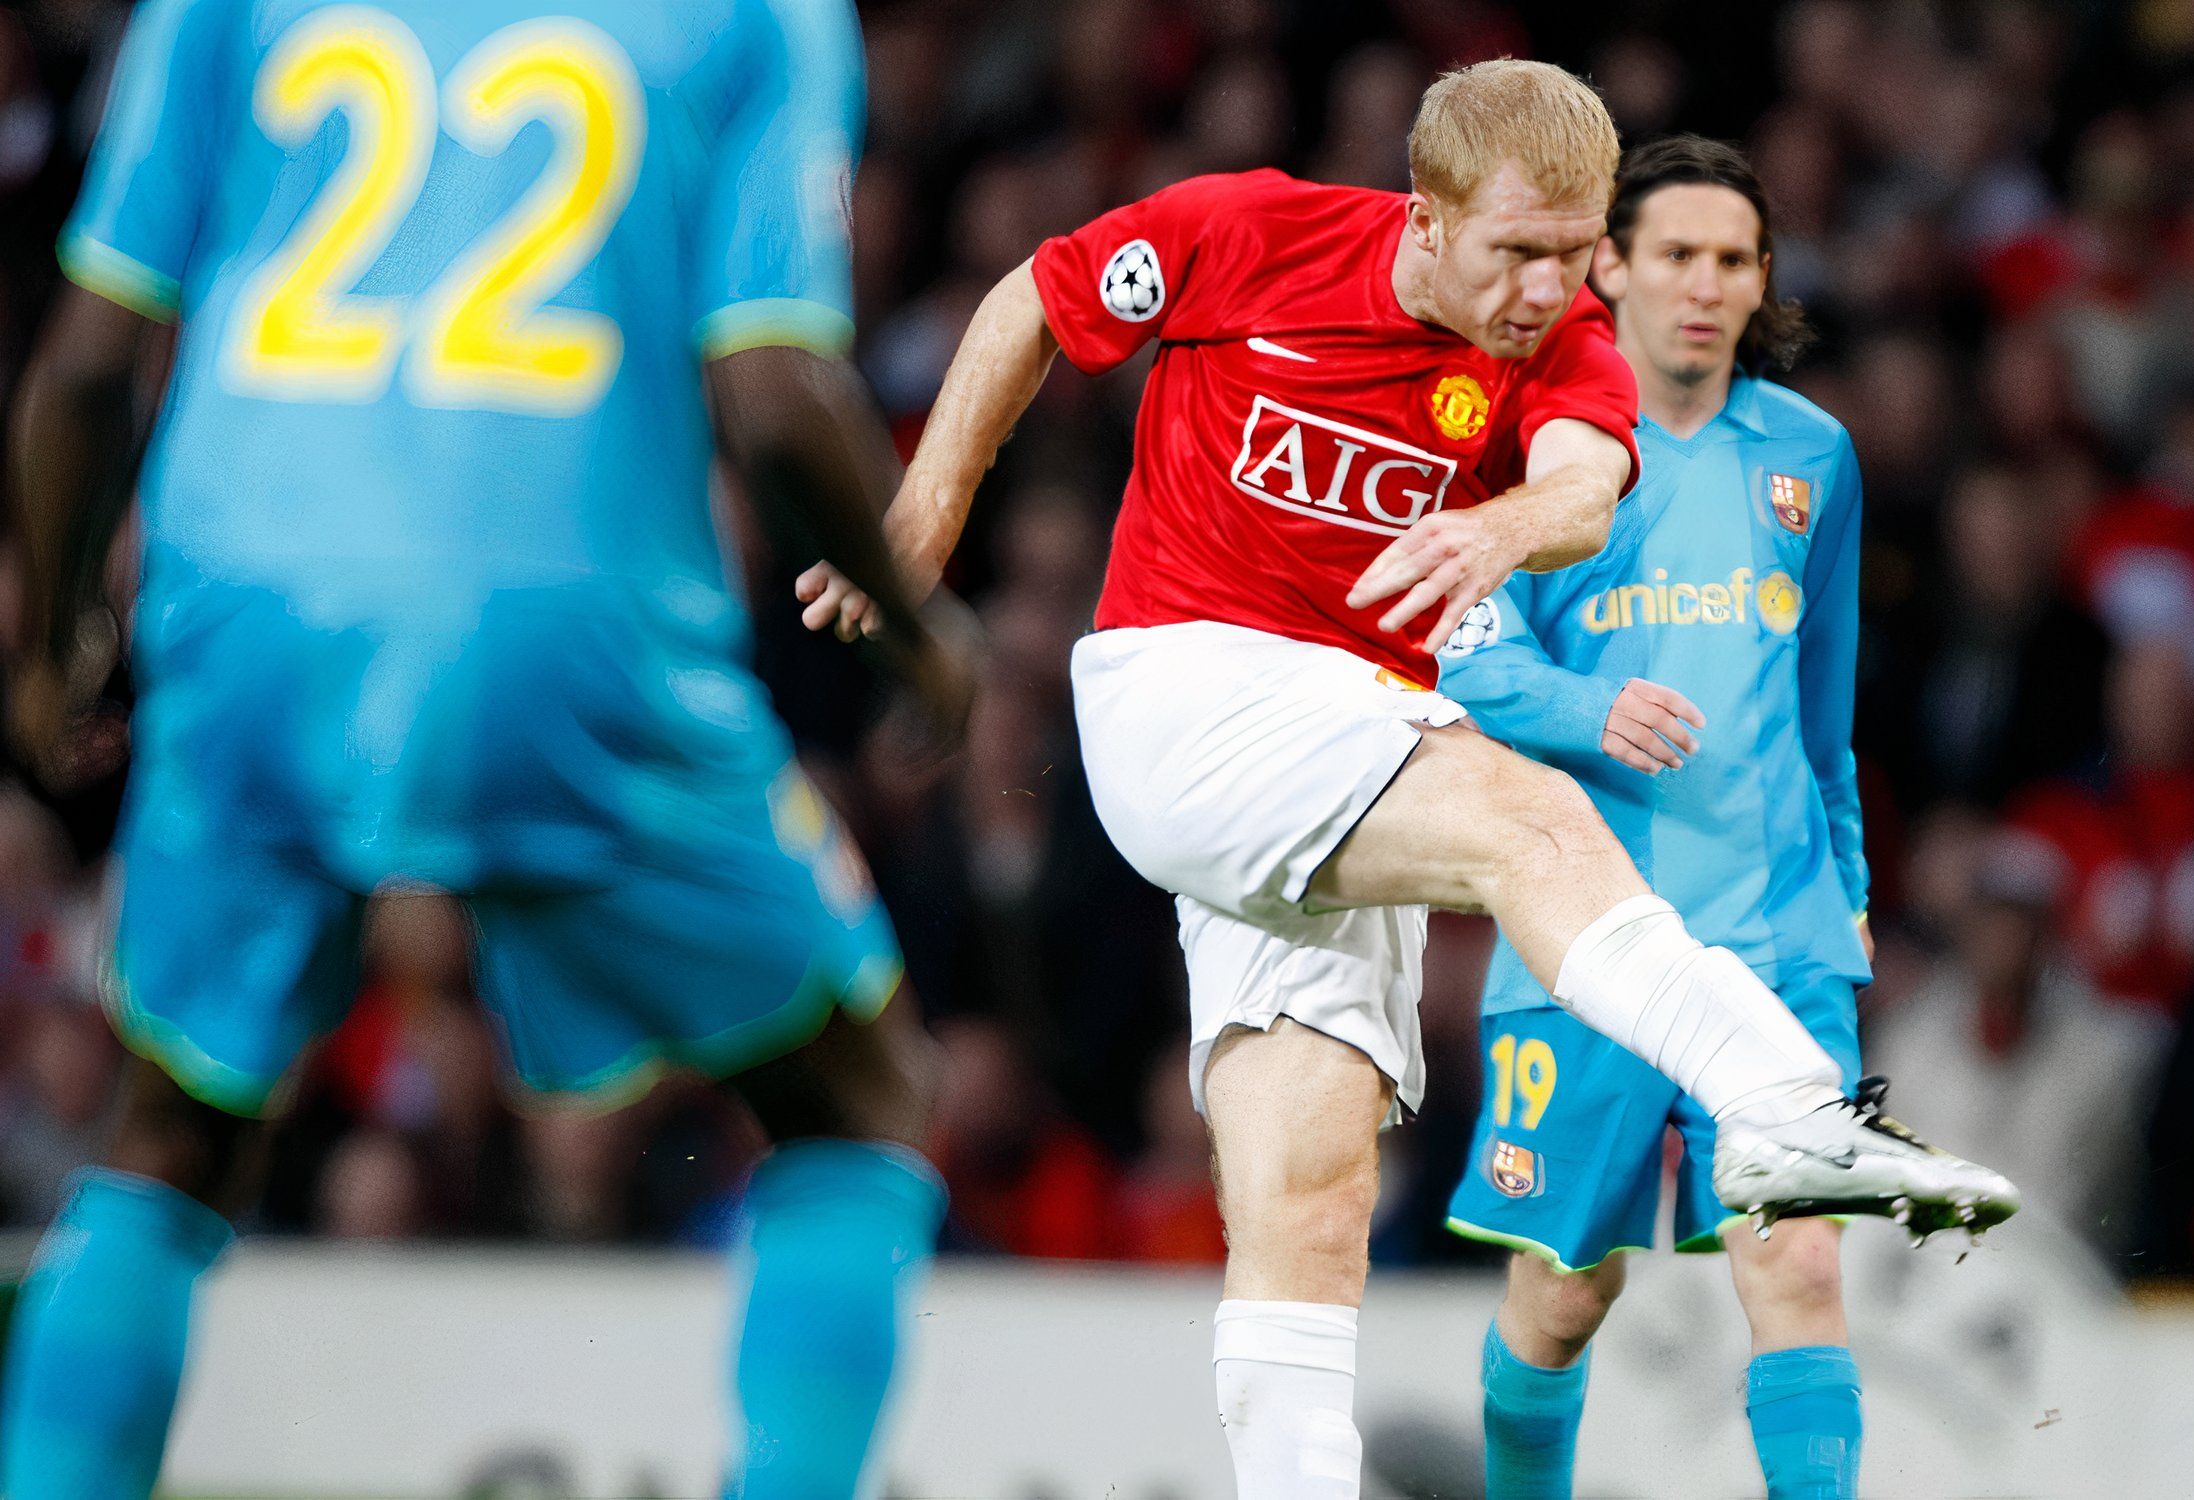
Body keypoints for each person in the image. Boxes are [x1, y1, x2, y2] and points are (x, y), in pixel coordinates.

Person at [800, 60, 2016, 1499]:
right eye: (1516, 253)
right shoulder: (1251, 233)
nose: (1547, 288)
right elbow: (1032, 302)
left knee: (1311, 1213)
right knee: (1537, 822)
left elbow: (1581, 484)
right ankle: (1789, 1104)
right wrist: (925, 514)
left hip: (1351, 744)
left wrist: (1502, 529)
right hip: (1187, 686)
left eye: (1574, 258)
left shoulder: (1562, 340)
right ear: (1424, 216)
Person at [1, 2, 966, 1496]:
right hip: (564, 620)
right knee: (855, 1104)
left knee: (171, 1130)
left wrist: (51, 635)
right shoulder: (762, 19)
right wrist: (925, 638)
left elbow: (80, 365)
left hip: (247, 606)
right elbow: (776, 402)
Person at [1425, 135, 1877, 1500]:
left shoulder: (1814, 455)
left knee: (1796, 1263)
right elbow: (1464, 655)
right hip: (1590, 935)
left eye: (1735, 259)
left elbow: (1821, 713)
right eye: (1678, 253)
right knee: (1565, 1297)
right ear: (1609, 264)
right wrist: (1587, 711)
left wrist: (1845, 893)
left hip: (1781, 940)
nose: (1708, 284)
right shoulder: (1534, 447)